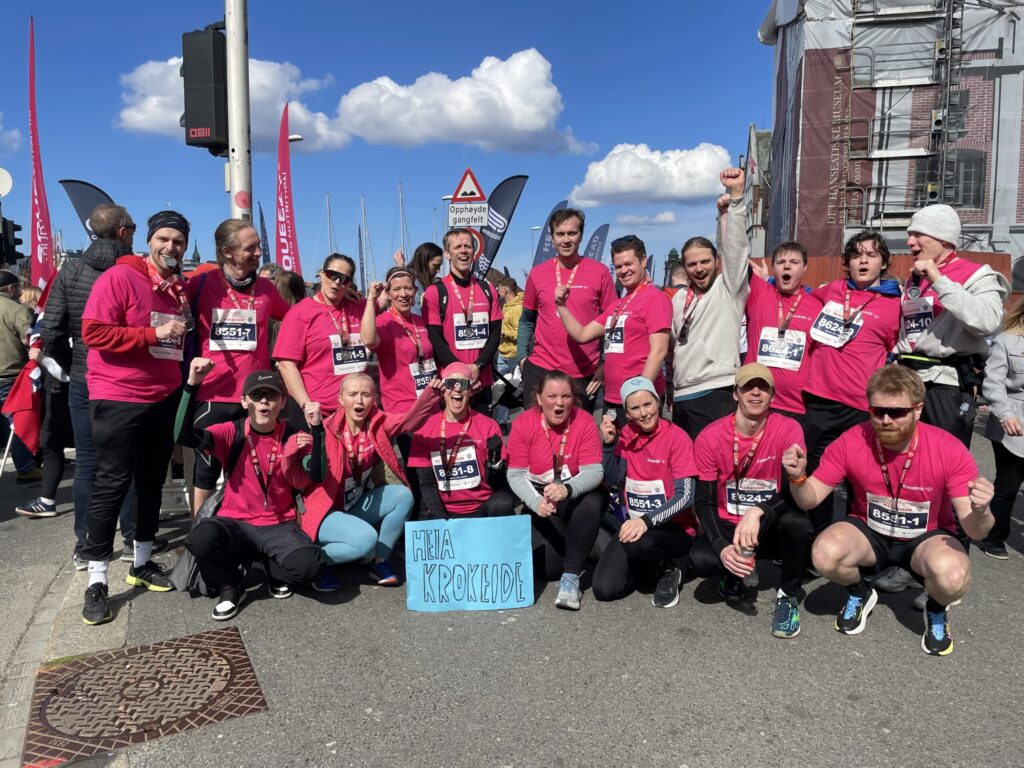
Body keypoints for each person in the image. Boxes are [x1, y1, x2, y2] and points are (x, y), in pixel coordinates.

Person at [783, 365, 995, 656]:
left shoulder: (949, 449)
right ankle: (860, 592)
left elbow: (974, 530)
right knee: (823, 554)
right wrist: (797, 478)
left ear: (918, 410)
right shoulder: (852, 439)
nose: (885, 420)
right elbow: (810, 498)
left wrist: (982, 510)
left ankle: (936, 609)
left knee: (954, 577)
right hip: (870, 532)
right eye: (878, 411)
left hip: (926, 538)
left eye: (896, 412)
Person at [79, 210, 192, 626]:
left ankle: (141, 562)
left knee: (151, 482)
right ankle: (96, 580)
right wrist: (153, 335)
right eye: (163, 239)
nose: (170, 247)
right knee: (112, 485)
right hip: (119, 396)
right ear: (148, 241)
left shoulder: (177, 288)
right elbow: (93, 332)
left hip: (163, 395)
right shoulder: (119, 277)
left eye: (178, 241)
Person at [38, 204, 146, 565]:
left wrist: (72, 366)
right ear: (123, 232)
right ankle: (132, 539)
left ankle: (86, 546)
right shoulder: (135, 271)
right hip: (126, 380)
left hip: (84, 377)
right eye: (132, 228)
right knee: (126, 459)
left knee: (87, 461)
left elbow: (51, 330)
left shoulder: (70, 270)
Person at [176, 362, 325, 619]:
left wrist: (317, 431)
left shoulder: (293, 435)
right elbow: (182, 436)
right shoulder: (230, 432)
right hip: (235, 522)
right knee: (200, 538)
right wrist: (191, 385)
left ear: (282, 402)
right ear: (245, 402)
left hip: (278, 524)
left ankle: (267, 563)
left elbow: (317, 475)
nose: (264, 401)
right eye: (256, 395)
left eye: (271, 395)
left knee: (309, 566)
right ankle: (232, 584)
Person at [282, 372, 444, 590]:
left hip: (353, 504)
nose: (359, 400)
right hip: (324, 512)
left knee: (403, 496)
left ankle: (380, 561)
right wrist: (291, 449)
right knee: (366, 540)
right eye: (353, 394)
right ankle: (316, 562)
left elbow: (408, 422)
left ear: (374, 399)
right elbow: (295, 476)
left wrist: (431, 394)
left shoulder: (377, 424)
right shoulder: (325, 430)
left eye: (365, 395)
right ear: (340, 399)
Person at [690, 363, 811, 639]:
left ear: (773, 395)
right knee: (702, 560)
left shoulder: (789, 429)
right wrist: (721, 547)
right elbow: (704, 502)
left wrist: (759, 510)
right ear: (735, 393)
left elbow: (795, 492)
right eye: (748, 387)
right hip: (729, 525)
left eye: (763, 388)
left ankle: (788, 596)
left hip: (766, 525)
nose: (756, 393)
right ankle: (731, 573)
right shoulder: (710, 437)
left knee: (799, 524)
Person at [187, 220, 291, 513]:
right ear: (227, 252)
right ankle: (201, 532)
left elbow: (296, 318)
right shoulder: (200, 284)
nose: (259, 252)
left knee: (251, 468)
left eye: (258, 245)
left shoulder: (266, 288)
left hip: (256, 395)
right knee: (206, 471)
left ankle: (249, 525)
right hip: (213, 394)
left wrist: (348, 302)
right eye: (250, 248)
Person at [802, 231, 901, 533]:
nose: (863, 261)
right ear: (848, 262)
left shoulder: (895, 304)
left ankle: (855, 540)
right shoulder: (831, 290)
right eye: (857, 255)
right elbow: (800, 300)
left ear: (884, 262)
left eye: (871, 255)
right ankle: (818, 539)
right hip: (819, 399)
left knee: (859, 478)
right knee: (815, 473)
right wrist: (769, 281)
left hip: (861, 405)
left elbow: (897, 351)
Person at [896, 204, 1009, 446]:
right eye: (909, 235)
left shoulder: (978, 275)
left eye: (917, 234)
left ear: (943, 238)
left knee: (943, 457)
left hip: (946, 385)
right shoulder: (913, 278)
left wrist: (938, 279)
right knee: (904, 453)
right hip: (907, 380)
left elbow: (988, 322)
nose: (910, 242)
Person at [592, 376, 698, 608]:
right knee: (604, 589)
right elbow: (614, 480)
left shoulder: (677, 438)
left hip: (673, 528)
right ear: (627, 413)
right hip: (636, 525)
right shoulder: (626, 433)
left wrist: (646, 521)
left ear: (658, 402)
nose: (644, 413)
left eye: (648, 404)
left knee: (637, 544)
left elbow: (685, 496)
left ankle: (670, 567)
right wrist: (608, 445)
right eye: (635, 408)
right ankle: (649, 568)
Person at [506, 369, 607, 610]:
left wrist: (568, 489)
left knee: (592, 501)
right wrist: (535, 502)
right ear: (539, 398)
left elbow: (595, 471)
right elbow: (515, 474)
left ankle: (571, 577)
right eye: (552, 396)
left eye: (565, 396)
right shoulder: (524, 423)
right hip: (542, 499)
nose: (559, 403)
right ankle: (583, 544)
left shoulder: (584, 421)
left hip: (575, 496)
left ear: (574, 398)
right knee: (547, 570)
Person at [670, 168, 751, 441]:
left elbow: (736, 249)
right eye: (692, 263)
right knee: (685, 465)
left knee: (713, 464)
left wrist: (736, 198)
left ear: (716, 262)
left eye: (705, 261)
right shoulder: (679, 299)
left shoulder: (728, 289)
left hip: (716, 390)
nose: (699, 268)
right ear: (684, 267)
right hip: (681, 394)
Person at [555, 235, 671, 424]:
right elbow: (582, 334)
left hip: (639, 401)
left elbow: (659, 351)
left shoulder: (655, 298)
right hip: (613, 398)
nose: (623, 271)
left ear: (643, 261)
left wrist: (640, 397)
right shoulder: (617, 305)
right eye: (618, 266)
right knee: (611, 444)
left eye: (628, 264)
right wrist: (561, 306)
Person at [516, 209, 616, 412]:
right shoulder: (537, 274)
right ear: (552, 238)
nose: (566, 240)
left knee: (578, 431)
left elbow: (613, 323)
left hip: (583, 373)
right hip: (541, 369)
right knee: (536, 429)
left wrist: (605, 363)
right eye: (560, 234)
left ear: (581, 235)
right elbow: (527, 319)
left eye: (572, 233)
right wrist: (522, 359)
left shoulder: (600, 273)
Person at [408, 363, 513, 520]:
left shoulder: (488, 426)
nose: (457, 388)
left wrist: (495, 461)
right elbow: (427, 484)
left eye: (462, 383)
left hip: (481, 507)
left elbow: (496, 484)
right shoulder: (425, 429)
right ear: (443, 390)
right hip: (443, 510)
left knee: (503, 503)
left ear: (470, 391)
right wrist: (442, 520)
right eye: (451, 383)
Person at [274, 254, 368, 418]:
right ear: (322, 274)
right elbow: (286, 365)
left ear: (349, 284)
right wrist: (307, 406)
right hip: (317, 412)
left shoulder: (357, 307)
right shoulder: (300, 312)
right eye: (332, 275)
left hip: (356, 412)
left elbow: (390, 296)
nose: (337, 282)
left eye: (344, 279)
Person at [422, 229, 502, 412]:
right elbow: (435, 339)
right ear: (447, 254)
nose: (463, 251)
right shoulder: (435, 291)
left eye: (468, 246)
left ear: (474, 252)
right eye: (457, 247)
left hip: (481, 380)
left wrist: (477, 367)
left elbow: (495, 334)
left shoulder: (487, 289)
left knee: (483, 429)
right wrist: (462, 373)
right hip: (451, 382)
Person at [743, 241, 823, 421]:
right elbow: (734, 254)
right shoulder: (759, 292)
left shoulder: (817, 305)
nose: (787, 266)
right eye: (780, 262)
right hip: (754, 399)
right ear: (774, 268)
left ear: (804, 268)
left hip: (797, 406)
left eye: (794, 262)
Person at [979, 297, 1024, 559]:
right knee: (1009, 485)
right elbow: (993, 383)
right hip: (1013, 424)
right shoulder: (1006, 341)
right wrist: (1005, 414)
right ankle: (994, 536)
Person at [0, 270, 40, 482]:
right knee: (18, 423)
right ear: (11, 288)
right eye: (18, 288)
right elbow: (30, 340)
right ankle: (25, 467)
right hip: (11, 374)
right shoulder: (17, 309)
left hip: (7, 374)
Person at [494, 277, 524, 429]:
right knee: (501, 390)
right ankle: (501, 422)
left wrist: (503, 332)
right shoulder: (505, 306)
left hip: (514, 357)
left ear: (504, 290)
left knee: (515, 391)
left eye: (499, 289)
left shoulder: (517, 308)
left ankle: (528, 421)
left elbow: (521, 334)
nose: (497, 292)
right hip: (502, 354)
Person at [406, 242, 443, 316]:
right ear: (423, 263)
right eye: (435, 266)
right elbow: (416, 314)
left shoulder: (419, 281)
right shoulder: (413, 283)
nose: (438, 270)